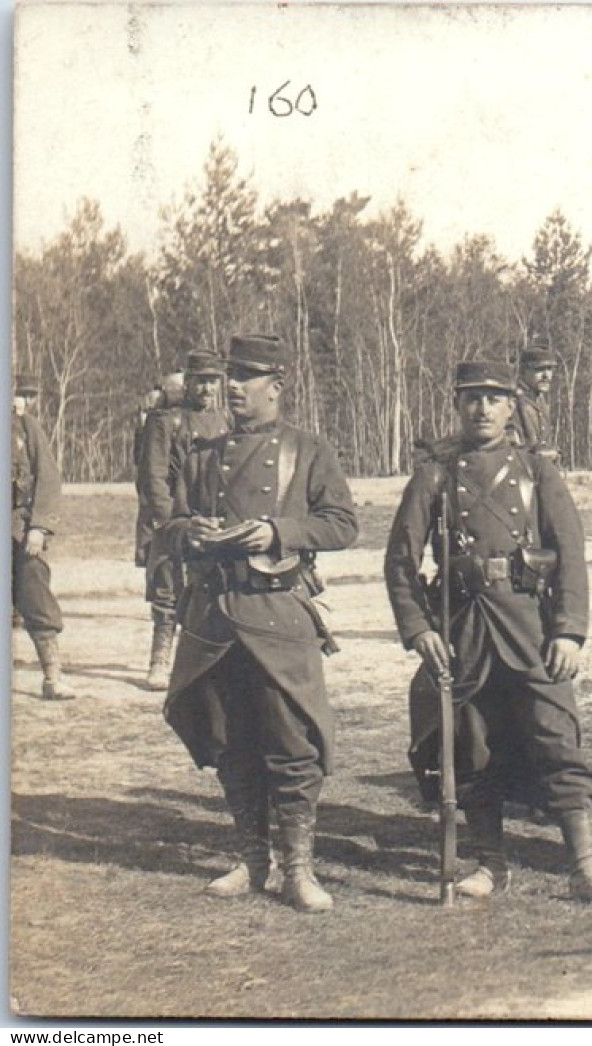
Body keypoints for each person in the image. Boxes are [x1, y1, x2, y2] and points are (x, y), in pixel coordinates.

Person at [385, 362, 592, 903]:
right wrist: (419, 628)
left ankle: (585, 867)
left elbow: (569, 553)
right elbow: (400, 560)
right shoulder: (435, 471)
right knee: (470, 745)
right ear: (458, 403)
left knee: (557, 736)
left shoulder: (536, 469)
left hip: (529, 627)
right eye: (472, 398)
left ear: (512, 406)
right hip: (463, 628)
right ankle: (490, 863)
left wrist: (569, 631)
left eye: (495, 398)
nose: (483, 409)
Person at [163, 334, 358, 913]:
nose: (233, 389)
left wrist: (280, 532)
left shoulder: (308, 450)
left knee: (292, 743)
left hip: (277, 615)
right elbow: (164, 527)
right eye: (229, 378)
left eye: (245, 379)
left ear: (276, 387)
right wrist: (188, 534)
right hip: (215, 621)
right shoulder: (201, 453)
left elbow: (343, 524)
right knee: (231, 743)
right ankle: (252, 861)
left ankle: (298, 869)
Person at [136, 352, 229, 690]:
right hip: (173, 516)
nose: (207, 388)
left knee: (211, 585)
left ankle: (207, 660)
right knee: (167, 587)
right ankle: (160, 659)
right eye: (201, 380)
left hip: (211, 516)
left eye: (212, 380)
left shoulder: (225, 421)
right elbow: (153, 475)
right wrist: (166, 522)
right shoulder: (167, 421)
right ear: (187, 382)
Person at [13, 374, 75, 701]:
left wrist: (38, 527)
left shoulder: (25, 428)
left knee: (35, 595)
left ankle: (52, 676)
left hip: (18, 530)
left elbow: (48, 479)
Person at [511, 340, 562, 462]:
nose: (546, 375)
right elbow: (510, 448)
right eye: (539, 369)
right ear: (523, 372)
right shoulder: (513, 402)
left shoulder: (539, 400)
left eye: (549, 369)